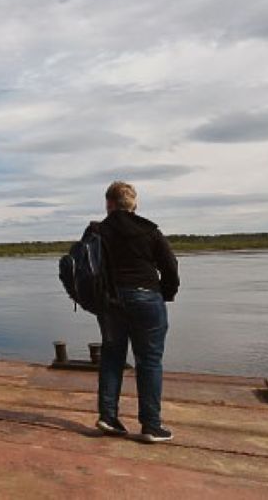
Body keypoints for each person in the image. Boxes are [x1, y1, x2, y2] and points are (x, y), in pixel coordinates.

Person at [91, 181, 179, 443]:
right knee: (149, 360)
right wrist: (166, 293)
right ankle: (151, 425)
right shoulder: (149, 230)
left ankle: (108, 417)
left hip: (111, 301)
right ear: (132, 203)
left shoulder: (97, 231)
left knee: (111, 357)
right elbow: (170, 266)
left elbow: (86, 267)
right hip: (146, 297)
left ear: (109, 204)